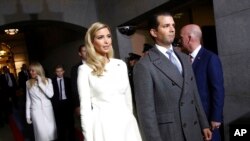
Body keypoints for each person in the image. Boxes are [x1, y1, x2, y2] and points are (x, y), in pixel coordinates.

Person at [133, 11, 212, 141]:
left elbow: (194, 93)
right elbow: (146, 113)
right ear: (154, 32)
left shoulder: (185, 58)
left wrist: (203, 123)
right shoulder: (144, 66)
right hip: (171, 133)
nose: (172, 30)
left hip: (194, 130)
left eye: (173, 25)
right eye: (166, 26)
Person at [77, 22, 142, 141]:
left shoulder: (120, 65)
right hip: (104, 128)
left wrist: (131, 121)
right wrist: (88, 138)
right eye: (100, 37)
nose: (106, 41)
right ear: (92, 42)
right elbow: (85, 110)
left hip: (127, 125)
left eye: (108, 36)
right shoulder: (85, 70)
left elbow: (128, 100)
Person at [180, 24, 225, 141]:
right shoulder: (184, 60)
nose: (180, 40)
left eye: (181, 37)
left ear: (189, 38)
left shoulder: (210, 58)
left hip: (208, 119)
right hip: (192, 119)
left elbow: (218, 89)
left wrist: (216, 117)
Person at [26, 62, 57, 141]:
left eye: (33, 70)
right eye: (30, 71)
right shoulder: (28, 83)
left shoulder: (48, 81)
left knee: (51, 133)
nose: (31, 72)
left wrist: (40, 83)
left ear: (38, 70)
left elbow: (50, 95)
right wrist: (28, 115)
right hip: (36, 111)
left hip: (48, 110)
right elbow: (28, 100)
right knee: (41, 134)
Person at [52, 64, 75, 141]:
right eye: (57, 71)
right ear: (55, 72)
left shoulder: (68, 80)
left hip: (67, 104)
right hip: (58, 104)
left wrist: (73, 104)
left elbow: (72, 92)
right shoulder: (52, 81)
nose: (59, 73)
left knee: (70, 123)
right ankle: (61, 138)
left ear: (63, 71)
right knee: (59, 123)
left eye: (60, 71)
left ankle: (71, 138)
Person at [70, 44, 87, 116]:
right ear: (80, 53)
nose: (87, 52)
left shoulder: (96, 65)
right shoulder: (75, 69)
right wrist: (77, 105)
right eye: (84, 51)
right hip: (84, 102)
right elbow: (74, 88)